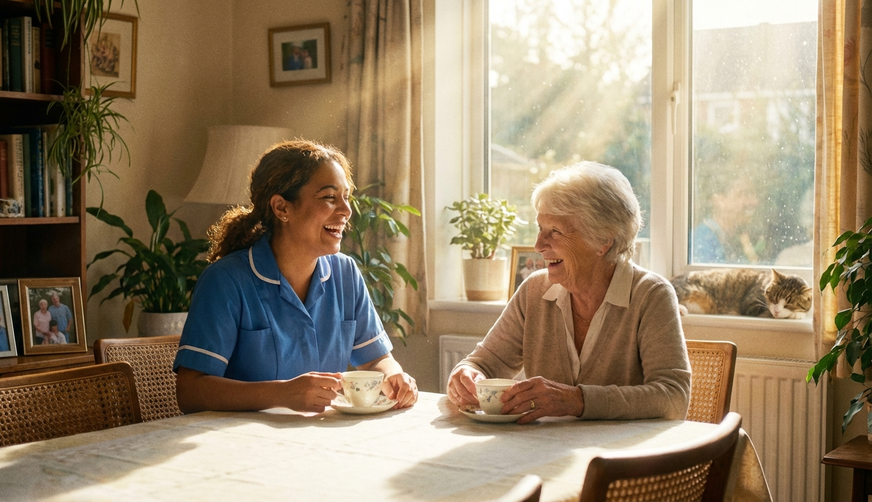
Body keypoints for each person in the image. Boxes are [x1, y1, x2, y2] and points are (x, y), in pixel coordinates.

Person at [174, 139, 418, 414]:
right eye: (329, 197)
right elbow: (190, 391)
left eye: (346, 197)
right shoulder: (225, 281)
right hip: (241, 445)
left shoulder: (346, 273)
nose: (346, 211)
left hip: (318, 441)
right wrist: (282, 393)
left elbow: (376, 361)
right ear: (281, 208)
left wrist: (394, 375)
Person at [447, 161, 690, 424]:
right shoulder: (535, 291)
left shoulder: (651, 295)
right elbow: (483, 363)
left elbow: (673, 397)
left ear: (603, 240)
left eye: (555, 232)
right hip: (545, 454)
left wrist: (577, 400)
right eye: (541, 229)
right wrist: (466, 376)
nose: (539, 245)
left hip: (619, 460)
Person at [692, 176, 759, 264]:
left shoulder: (734, 239)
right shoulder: (702, 241)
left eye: (753, 194)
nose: (755, 202)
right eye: (744, 194)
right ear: (719, 200)